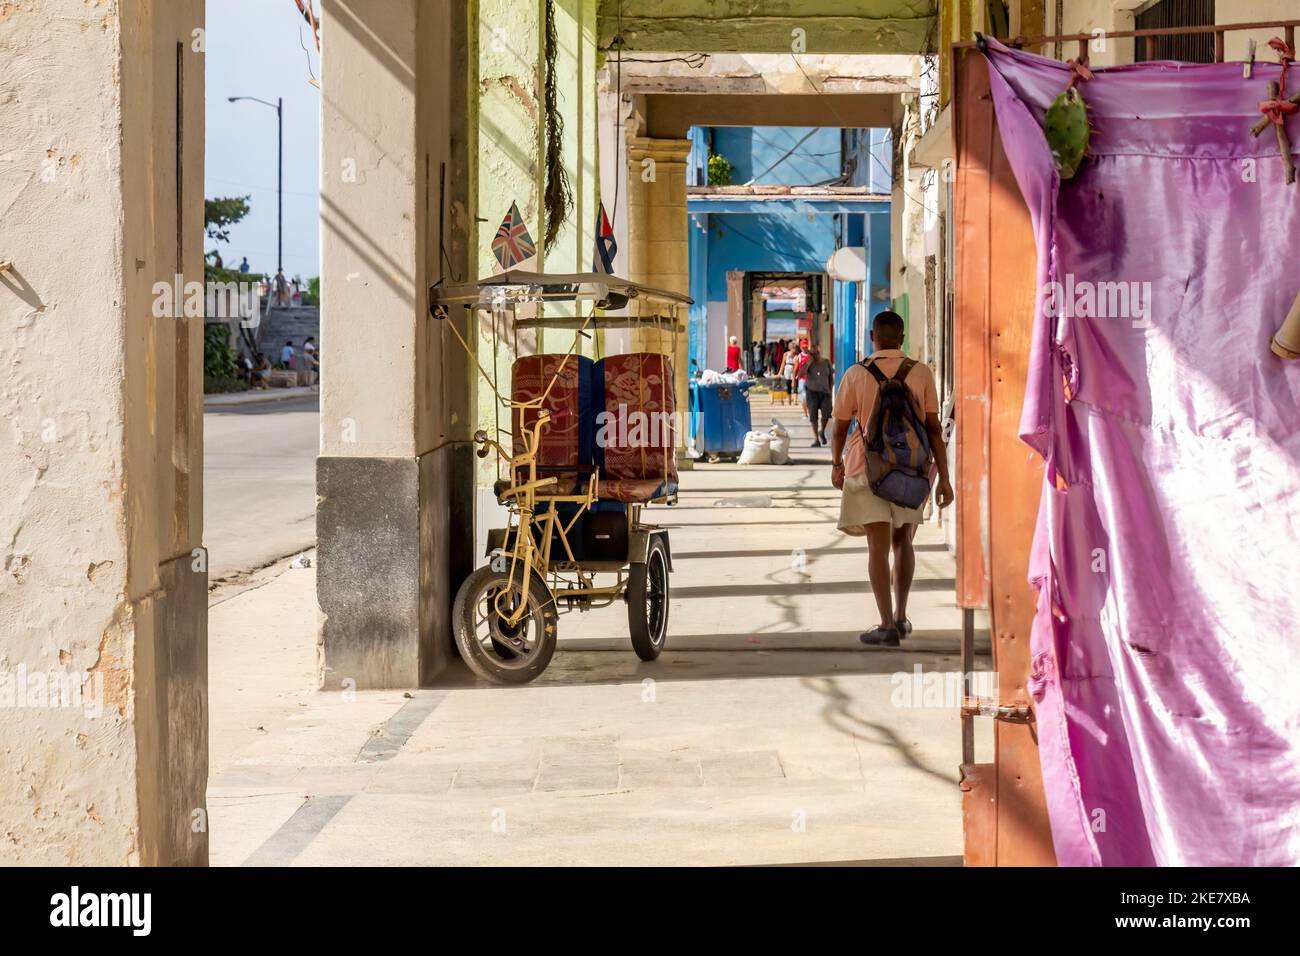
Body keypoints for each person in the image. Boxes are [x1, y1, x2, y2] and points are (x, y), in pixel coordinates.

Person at [830, 311, 954, 647]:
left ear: (873, 336)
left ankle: (884, 623)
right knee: (904, 543)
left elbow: (840, 426)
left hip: (866, 468)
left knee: (877, 547)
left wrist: (836, 464)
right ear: (901, 338)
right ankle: (900, 615)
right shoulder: (921, 373)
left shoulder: (856, 374)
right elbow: (932, 427)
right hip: (911, 470)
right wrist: (943, 478)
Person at [803, 346, 834, 446]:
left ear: (820, 352)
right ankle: (816, 439)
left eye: (816, 353)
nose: (815, 355)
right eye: (812, 353)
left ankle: (822, 432)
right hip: (812, 392)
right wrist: (808, 363)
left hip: (825, 393)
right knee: (813, 416)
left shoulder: (826, 362)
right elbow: (800, 374)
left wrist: (830, 389)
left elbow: (831, 378)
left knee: (826, 415)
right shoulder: (808, 363)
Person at [780, 340, 799, 406]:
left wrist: (794, 377)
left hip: (794, 370)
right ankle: (789, 400)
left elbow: (796, 366)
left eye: (795, 348)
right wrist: (780, 373)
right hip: (787, 370)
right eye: (793, 348)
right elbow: (783, 364)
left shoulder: (797, 356)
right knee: (788, 385)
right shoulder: (785, 354)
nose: (794, 349)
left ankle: (795, 400)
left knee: (795, 385)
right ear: (790, 348)